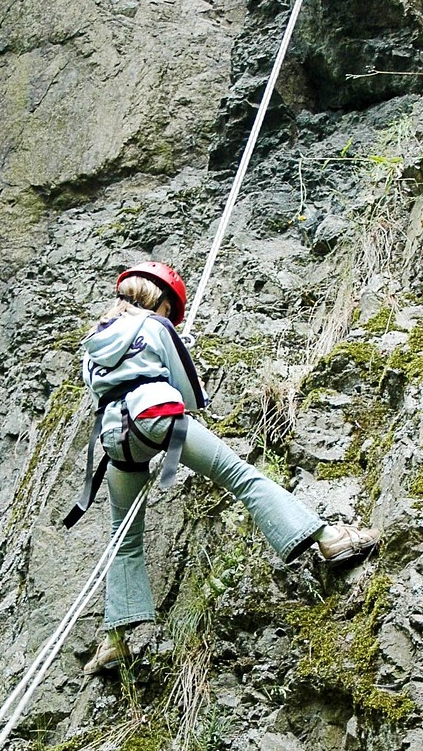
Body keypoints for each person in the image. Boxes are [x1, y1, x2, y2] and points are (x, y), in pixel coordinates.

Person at [67, 260, 379, 674]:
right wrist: (177, 347)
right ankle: (327, 537)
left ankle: (114, 641)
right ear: (160, 301)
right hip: (156, 415)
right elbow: (192, 395)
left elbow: (104, 392)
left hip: (115, 439)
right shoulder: (158, 328)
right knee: (241, 477)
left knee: (123, 537)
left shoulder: (94, 343)